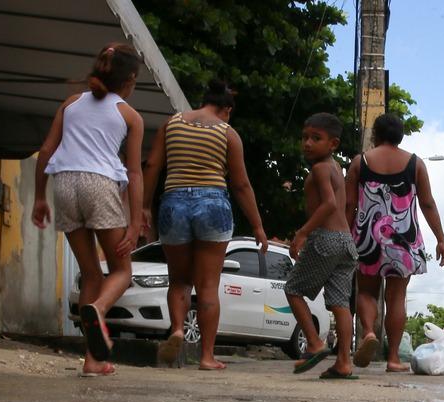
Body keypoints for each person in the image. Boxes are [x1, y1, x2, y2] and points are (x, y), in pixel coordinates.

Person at [31, 43, 146, 377]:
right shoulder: (130, 115)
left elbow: (46, 150)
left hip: (64, 185)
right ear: (130, 79)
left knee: (91, 274)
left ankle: (93, 361)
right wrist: (135, 222)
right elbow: (135, 173)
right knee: (121, 272)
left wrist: (39, 197)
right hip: (100, 185)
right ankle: (98, 308)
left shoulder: (70, 104)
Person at [143, 79, 268, 370]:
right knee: (208, 286)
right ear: (227, 109)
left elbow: (152, 165)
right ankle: (207, 356)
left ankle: (177, 329)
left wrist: (144, 207)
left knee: (179, 280)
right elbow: (241, 184)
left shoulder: (171, 124)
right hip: (213, 204)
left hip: (173, 202)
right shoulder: (228, 133)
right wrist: (258, 226)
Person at [346, 113, 444, 372]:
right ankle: (393, 358)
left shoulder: (360, 162)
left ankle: (369, 332)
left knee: (366, 292)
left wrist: (345, 236)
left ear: (375, 134)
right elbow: (427, 203)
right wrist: (441, 239)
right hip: (403, 238)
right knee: (396, 298)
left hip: (367, 235)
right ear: (400, 136)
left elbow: (349, 205)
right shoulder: (416, 164)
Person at [286, 113, 358, 379]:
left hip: (326, 238)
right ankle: (344, 362)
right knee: (340, 302)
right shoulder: (335, 166)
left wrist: (303, 232)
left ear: (333, 143)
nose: (307, 143)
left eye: (316, 138)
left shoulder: (319, 169)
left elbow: (328, 205)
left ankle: (314, 342)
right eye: (305, 137)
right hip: (346, 242)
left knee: (293, 289)